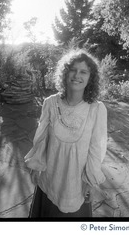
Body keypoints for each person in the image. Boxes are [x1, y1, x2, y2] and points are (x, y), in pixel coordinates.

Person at [24, 48, 109, 218]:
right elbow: (42, 140)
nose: (77, 75)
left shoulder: (97, 109)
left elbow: (96, 149)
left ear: (90, 78)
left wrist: (91, 183)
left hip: (76, 187)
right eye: (73, 70)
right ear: (65, 73)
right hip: (49, 182)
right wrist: (35, 166)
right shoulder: (50, 103)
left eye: (83, 72)